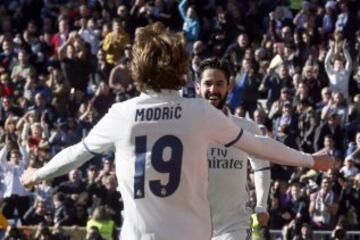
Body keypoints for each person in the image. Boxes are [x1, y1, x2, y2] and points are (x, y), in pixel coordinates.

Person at [21, 22, 332, 240]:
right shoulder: (199, 113)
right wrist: (310, 161)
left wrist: (37, 173)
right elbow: (260, 146)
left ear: (137, 69)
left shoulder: (122, 114)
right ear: (184, 72)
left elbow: (77, 154)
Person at [197, 58, 271, 240]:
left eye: (219, 84)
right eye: (208, 84)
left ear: (229, 87)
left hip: (235, 226)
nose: (213, 90)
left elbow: (261, 165)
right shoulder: (187, 128)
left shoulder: (247, 128)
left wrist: (261, 204)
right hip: (194, 224)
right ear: (198, 87)